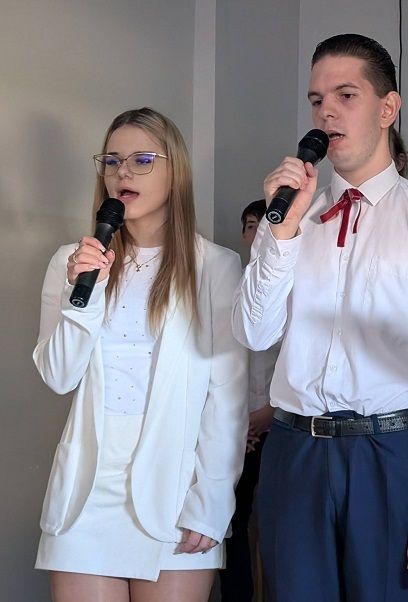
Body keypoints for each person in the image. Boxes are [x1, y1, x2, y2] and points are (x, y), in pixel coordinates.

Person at [232, 33, 408, 601]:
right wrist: (280, 234)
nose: (327, 112)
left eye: (346, 95)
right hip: (295, 449)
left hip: (388, 450)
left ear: (388, 108)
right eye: (317, 100)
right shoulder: (290, 218)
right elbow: (254, 331)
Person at [33, 108, 248, 601]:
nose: (122, 173)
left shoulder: (215, 267)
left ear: (177, 172)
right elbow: (59, 375)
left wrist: (212, 501)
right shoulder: (71, 263)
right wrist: (84, 295)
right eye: (111, 161)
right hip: (84, 498)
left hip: (177, 494)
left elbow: (228, 400)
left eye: (142, 160)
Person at [219, 199, 280, 601]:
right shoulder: (228, 286)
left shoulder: (292, 287)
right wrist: (240, 423)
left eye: (263, 224)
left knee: (278, 523)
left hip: (281, 423)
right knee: (232, 522)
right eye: (250, 225)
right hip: (236, 429)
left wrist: (269, 414)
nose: (255, 232)